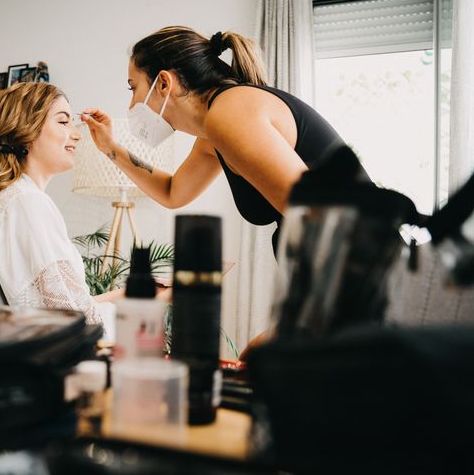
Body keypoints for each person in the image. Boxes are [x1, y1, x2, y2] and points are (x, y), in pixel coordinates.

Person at [80, 26, 358, 354]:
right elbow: (173, 192)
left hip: (358, 277)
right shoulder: (217, 125)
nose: (131, 103)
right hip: (348, 277)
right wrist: (111, 148)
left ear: (164, 83)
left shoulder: (230, 113)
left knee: (256, 360)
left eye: (133, 88)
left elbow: (323, 216)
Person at [0, 82, 124, 324]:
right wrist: (147, 305)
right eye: (62, 121)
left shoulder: (15, 199)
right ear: (26, 130)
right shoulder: (27, 203)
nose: (77, 134)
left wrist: (128, 294)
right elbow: (72, 322)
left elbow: (66, 305)